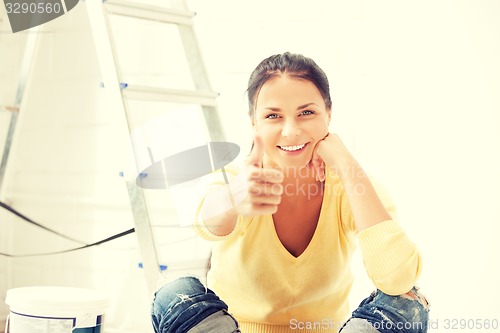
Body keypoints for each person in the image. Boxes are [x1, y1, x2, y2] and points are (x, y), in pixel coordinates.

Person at [151, 52, 430, 333]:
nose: (291, 131)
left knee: (408, 303)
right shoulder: (238, 180)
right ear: (254, 122)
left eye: (306, 113)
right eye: (273, 116)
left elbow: (398, 279)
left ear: (328, 114)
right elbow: (206, 218)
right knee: (174, 292)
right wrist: (235, 196)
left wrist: (346, 166)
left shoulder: (353, 186)